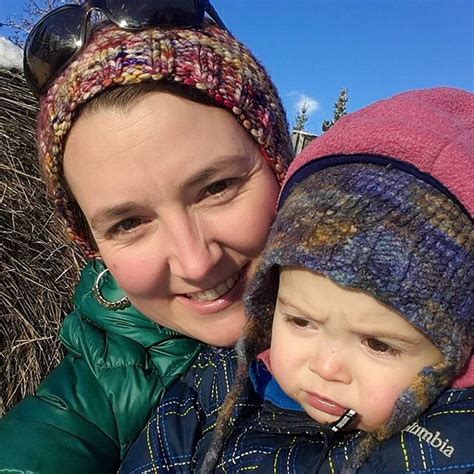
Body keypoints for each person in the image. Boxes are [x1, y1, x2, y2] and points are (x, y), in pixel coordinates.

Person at [0, 1, 293, 472]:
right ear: (92, 243)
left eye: (216, 188)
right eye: (128, 223)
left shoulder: (423, 320)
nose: (195, 263)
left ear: (280, 165)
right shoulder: (99, 394)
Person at [120, 87, 474, 473]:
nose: (325, 367)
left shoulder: (448, 445)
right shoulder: (217, 382)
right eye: (300, 321)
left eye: (378, 344)